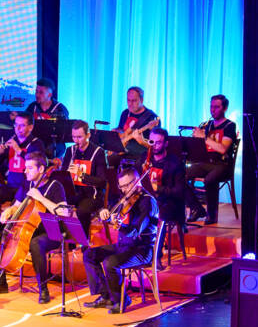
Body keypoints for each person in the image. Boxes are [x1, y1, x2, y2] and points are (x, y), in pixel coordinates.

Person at [0, 152, 67, 300]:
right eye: (25, 168)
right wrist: (9, 211)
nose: (25, 171)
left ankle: (43, 289)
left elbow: (63, 212)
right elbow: (16, 206)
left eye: (30, 168)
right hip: (28, 228)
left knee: (36, 244)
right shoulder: (27, 184)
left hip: (50, 231)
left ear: (41, 169)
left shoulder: (55, 186)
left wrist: (40, 198)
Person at [83, 167, 159, 313]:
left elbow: (136, 231)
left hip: (141, 250)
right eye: (121, 186)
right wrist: (104, 212)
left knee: (110, 262)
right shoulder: (126, 199)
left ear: (137, 182)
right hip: (124, 245)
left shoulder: (147, 202)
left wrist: (120, 226)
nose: (124, 190)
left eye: (127, 185)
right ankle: (105, 296)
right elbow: (113, 211)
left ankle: (121, 300)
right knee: (89, 254)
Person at [0, 111, 46, 231]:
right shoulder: (11, 142)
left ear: (30, 127)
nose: (18, 128)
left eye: (22, 125)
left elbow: (38, 162)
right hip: (10, 186)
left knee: (17, 210)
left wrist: (18, 149)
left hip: (26, 187)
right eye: (16, 125)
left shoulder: (37, 143)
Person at [186, 94, 238, 224]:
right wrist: (195, 139)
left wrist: (204, 137)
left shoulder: (230, 126)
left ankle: (212, 215)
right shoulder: (208, 125)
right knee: (179, 175)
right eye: (211, 107)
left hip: (223, 165)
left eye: (216, 107)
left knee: (210, 179)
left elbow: (222, 149)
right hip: (206, 163)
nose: (212, 110)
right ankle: (196, 209)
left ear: (225, 108)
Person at [59, 120, 107, 234]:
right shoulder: (70, 151)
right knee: (57, 206)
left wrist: (81, 174)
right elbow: (62, 174)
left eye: (79, 137)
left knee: (81, 211)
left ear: (88, 135)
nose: (76, 141)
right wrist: (66, 174)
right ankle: (65, 241)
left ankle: (83, 243)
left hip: (92, 195)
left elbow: (102, 181)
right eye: (74, 137)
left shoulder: (98, 152)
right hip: (74, 192)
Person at [137, 127, 186, 224]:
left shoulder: (175, 163)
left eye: (158, 143)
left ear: (166, 144)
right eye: (151, 142)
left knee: (147, 205)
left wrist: (157, 188)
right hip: (147, 198)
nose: (154, 145)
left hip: (167, 202)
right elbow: (136, 177)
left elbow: (179, 192)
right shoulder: (144, 157)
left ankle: (141, 234)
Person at [21, 77, 70, 158]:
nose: (37, 95)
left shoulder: (60, 109)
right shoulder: (32, 107)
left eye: (41, 93)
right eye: (36, 92)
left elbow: (65, 132)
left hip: (54, 143)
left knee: (51, 150)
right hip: (36, 142)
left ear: (49, 95)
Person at [117, 86, 160, 157]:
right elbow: (121, 130)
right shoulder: (125, 113)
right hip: (123, 153)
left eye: (134, 101)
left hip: (140, 157)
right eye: (128, 100)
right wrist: (116, 132)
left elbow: (156, 146)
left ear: (142, 100)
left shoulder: (151, 117)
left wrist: (142, 141)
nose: (130, 104)